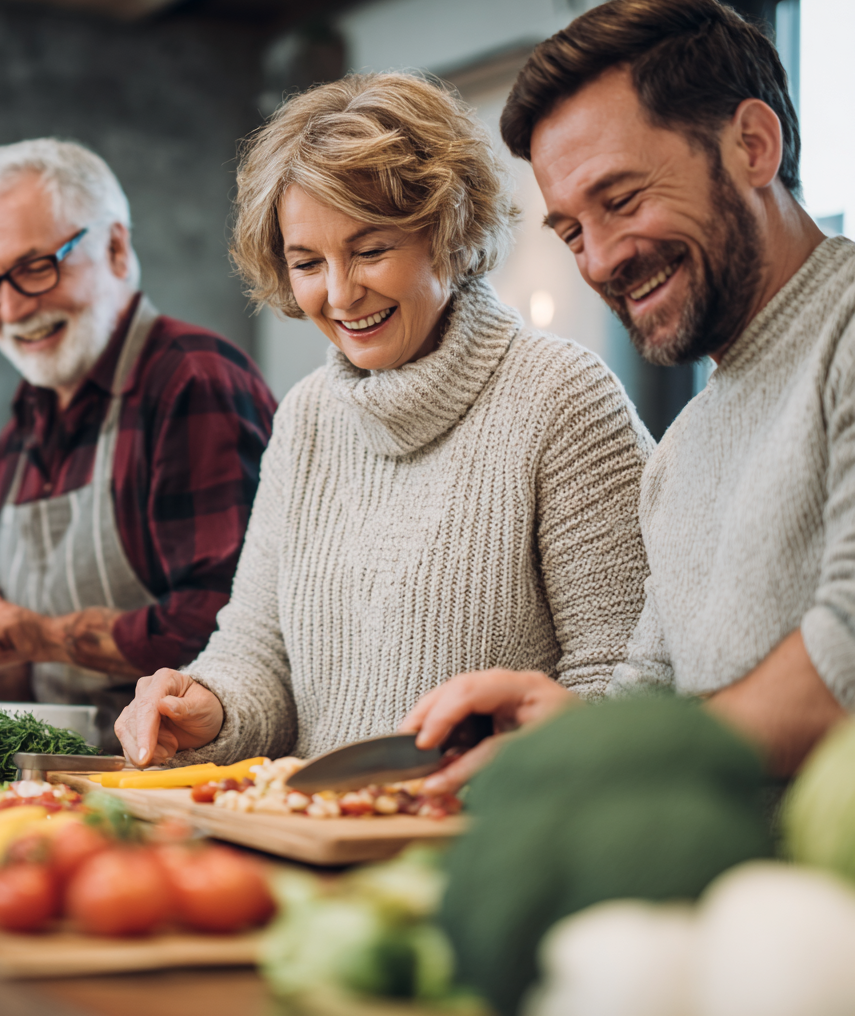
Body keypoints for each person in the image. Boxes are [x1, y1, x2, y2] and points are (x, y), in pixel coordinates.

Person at [114, 73, 653, 768]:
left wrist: (514, 762)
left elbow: (631, 683)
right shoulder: (308, 416)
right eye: (308, 262)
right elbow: (257, 647)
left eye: (370, 251)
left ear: (450, 233)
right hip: (321, 841)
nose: (339, 294)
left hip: (488, 841)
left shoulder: (562, 399)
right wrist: (209, 707)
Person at [402, 0, 853, 792]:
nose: (600, 260)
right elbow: (646, 697)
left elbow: (844, 656)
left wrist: (621, 751)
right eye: (572, 229)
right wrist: (560, 736)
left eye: (622, 199)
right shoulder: (682, 449)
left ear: (752, 145)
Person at [0, 138, 277, 748]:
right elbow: (33, 651)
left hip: (179, 780)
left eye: (36, 267)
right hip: (57, 776)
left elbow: (234, 627)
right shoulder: (21, 426)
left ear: (116, 248)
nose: (13, 308)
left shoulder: (192, 380)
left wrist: (41, 633)